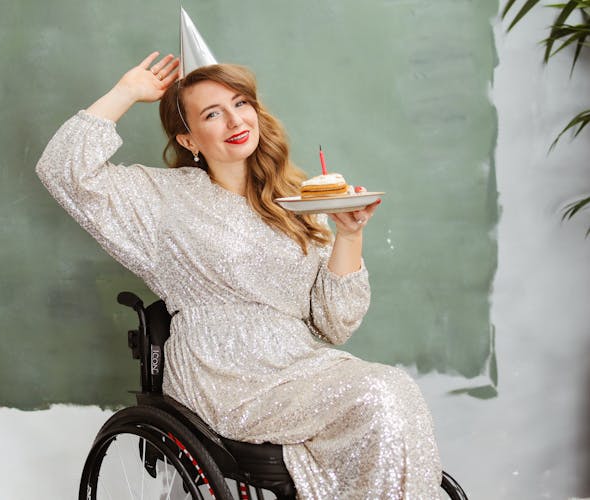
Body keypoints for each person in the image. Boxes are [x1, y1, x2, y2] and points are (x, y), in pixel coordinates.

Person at [35, 52, 442, 499]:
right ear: (188, 139)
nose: (234, 121)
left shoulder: (297, 203)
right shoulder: (164, 199)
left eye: (241, 103)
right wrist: (127, 92)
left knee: (392, 390)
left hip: (300, 364)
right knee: (378, 392)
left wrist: (349, 234)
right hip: (223, 373)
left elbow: (336, 324)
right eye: (213, 113)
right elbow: (62, 169)